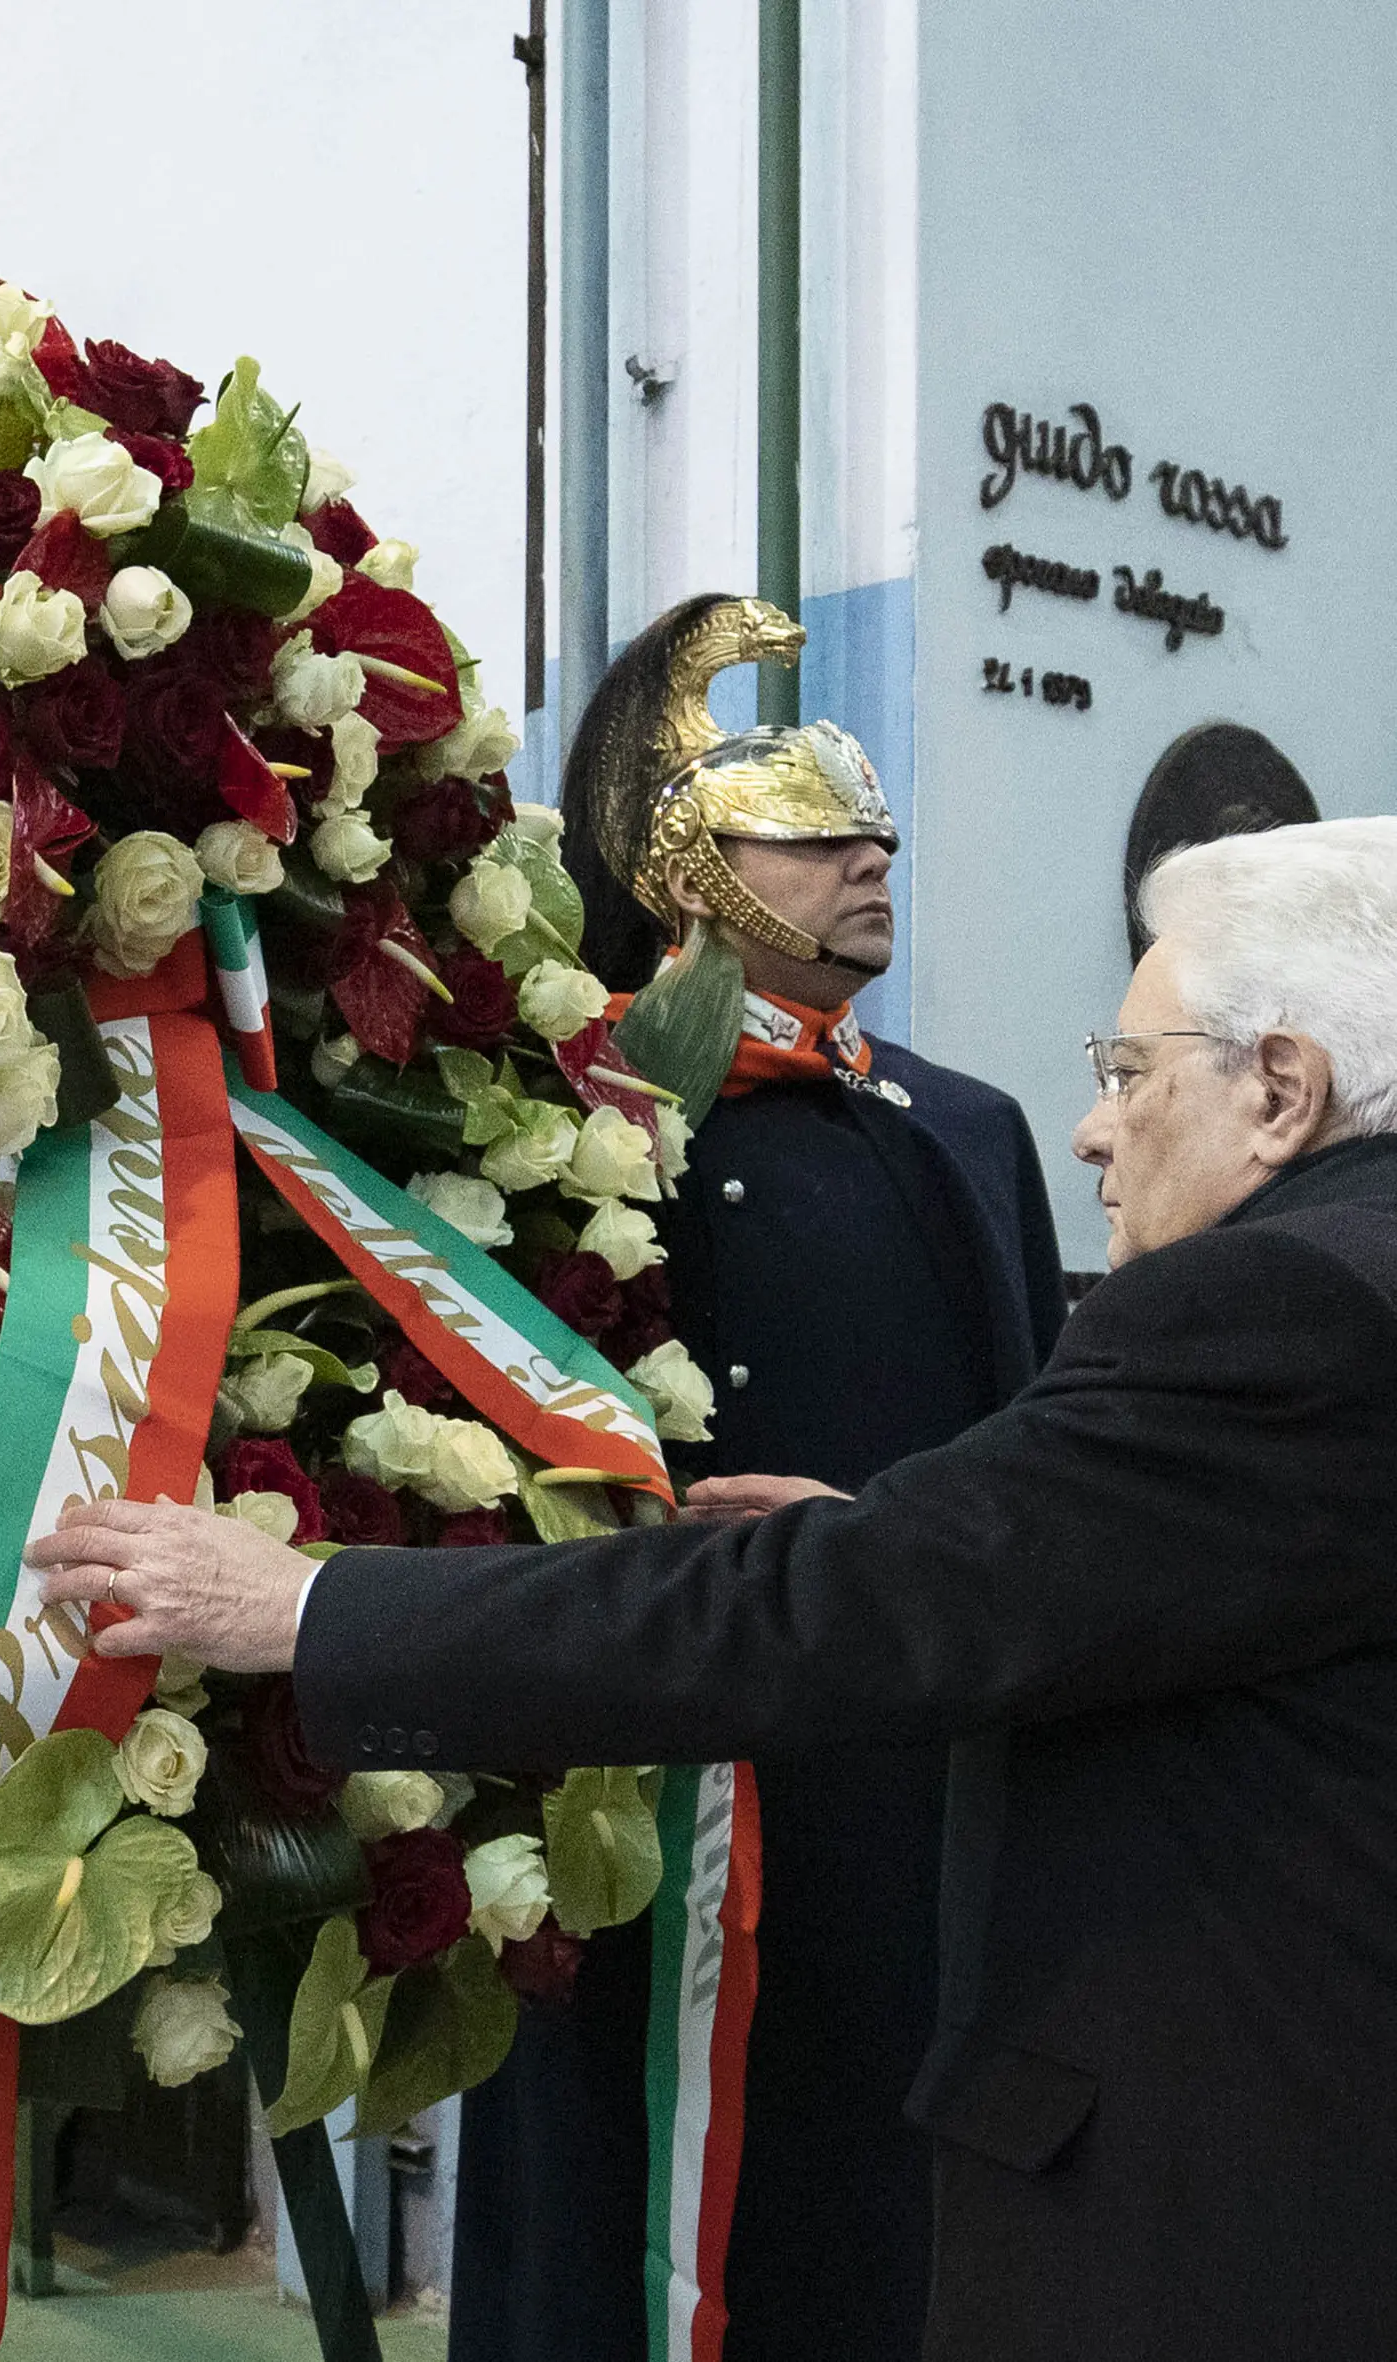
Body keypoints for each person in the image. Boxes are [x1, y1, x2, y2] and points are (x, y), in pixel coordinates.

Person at [28, 812, 1397, 2361]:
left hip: (1234, 2186)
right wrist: (907, 1529)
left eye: (1130, 1071)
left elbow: (832, 1609)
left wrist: (312, 1607)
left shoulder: (1273, 1303)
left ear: (1280, 1087)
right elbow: (1142, 1576)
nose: (1091, 1129)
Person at [464, 594, 1068, 2362]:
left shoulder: (965, 1125)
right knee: (602, 2149)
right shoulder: (569, 1108)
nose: (871, 856)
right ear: (688, 864)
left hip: (876, 1754)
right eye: (812, 833)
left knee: (855, 2168)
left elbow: (1017, 1434)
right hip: (629, 1720)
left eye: (875, 830)